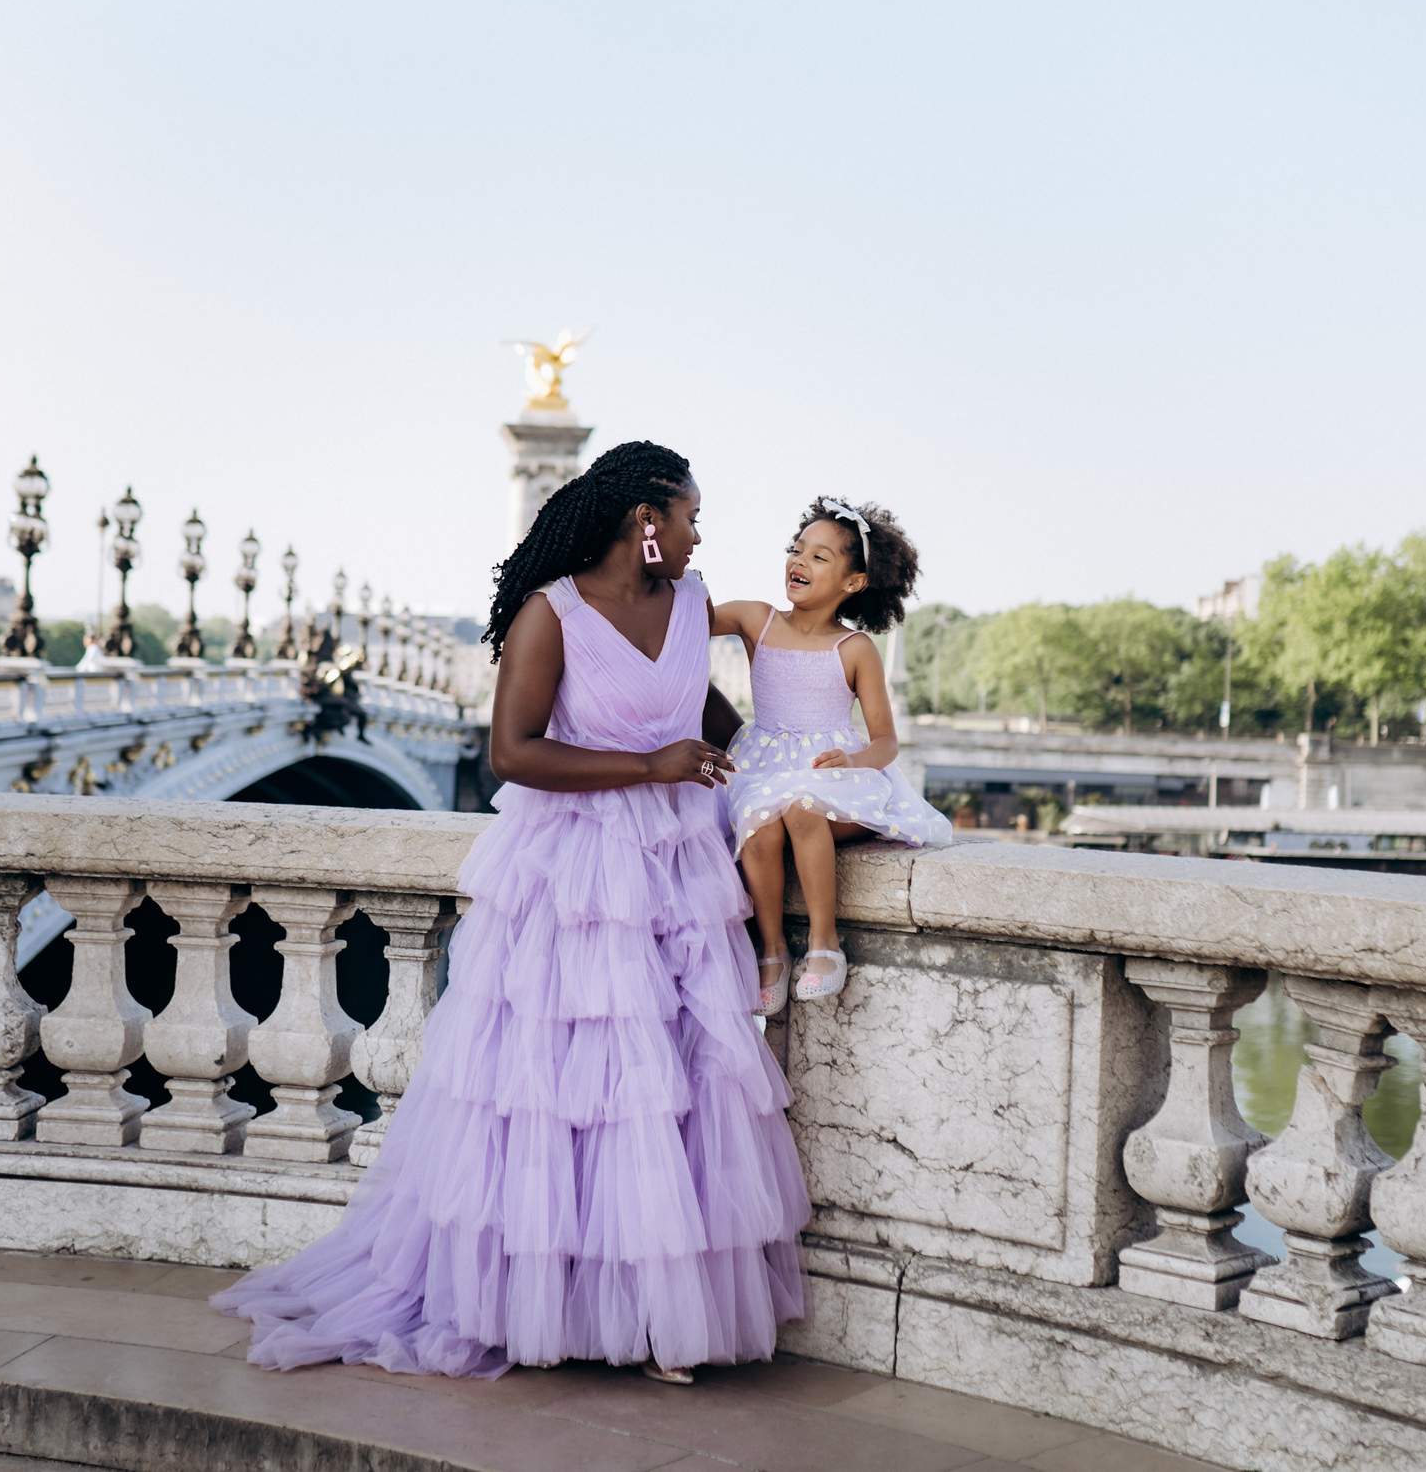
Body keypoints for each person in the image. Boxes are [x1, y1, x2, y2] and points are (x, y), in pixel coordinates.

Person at [219, 441, 808, 1383]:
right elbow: (513, 752)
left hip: (682, 868)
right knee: (569, 1089)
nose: (700, 534)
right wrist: (647, 767)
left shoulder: (694, 604)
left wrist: (793, 776)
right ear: (644, 522)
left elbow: (706, 714)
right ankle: (559, 1303)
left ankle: (659, 1313)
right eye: (690, 515)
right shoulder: (553, 614)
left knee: (674, 1084)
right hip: (575, 871)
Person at [711, 497, 951, 1015]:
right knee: (758, 821)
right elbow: (685, 619)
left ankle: (825, 943)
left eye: (820, 557)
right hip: (761, 764)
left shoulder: (855, 648)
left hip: (830, 771)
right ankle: (771, 948)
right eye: (797, 550)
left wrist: (855, 760)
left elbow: (886, 739)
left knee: (801, 806)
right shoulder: (758, 620)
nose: (799, 562)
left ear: (854, 582)